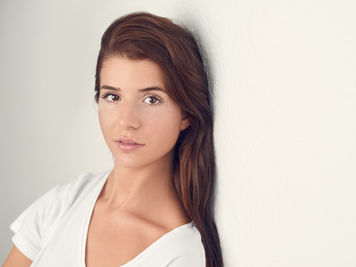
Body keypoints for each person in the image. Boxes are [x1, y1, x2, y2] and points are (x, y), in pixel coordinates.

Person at [3, 11, 223, 267]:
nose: (126, 120)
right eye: (113, 97)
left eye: (151, 99)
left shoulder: (180, 254)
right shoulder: (65, 202)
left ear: (186, 114)